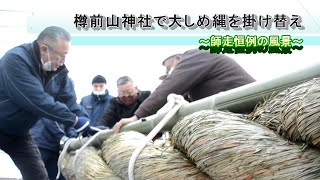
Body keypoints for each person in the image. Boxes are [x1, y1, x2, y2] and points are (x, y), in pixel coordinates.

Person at [0, 26, 91, 180]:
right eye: (61, 56)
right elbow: (36, 100)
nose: (63, 62)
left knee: (38, 175)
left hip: (19, 133)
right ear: (44, 49)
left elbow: (70, 102)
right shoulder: (15, 60)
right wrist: (74, 121)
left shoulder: (59, 74)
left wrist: (87, 122)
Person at [115, 49, 256, 132]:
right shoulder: (196, 78)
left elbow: (171, 85)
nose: (168, 72)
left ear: (178, 59)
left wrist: (137, 117)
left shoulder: (194, 56)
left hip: (255, 110)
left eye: (169, 68)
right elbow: (174, 104)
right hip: (242, 115)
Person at [30, 77, 88, 180]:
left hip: (53, 147)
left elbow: (70, 123)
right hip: (40, 144)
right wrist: (63, 137)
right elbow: (50, 119)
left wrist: (72, 136)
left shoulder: (67, 106)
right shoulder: (51, 103)